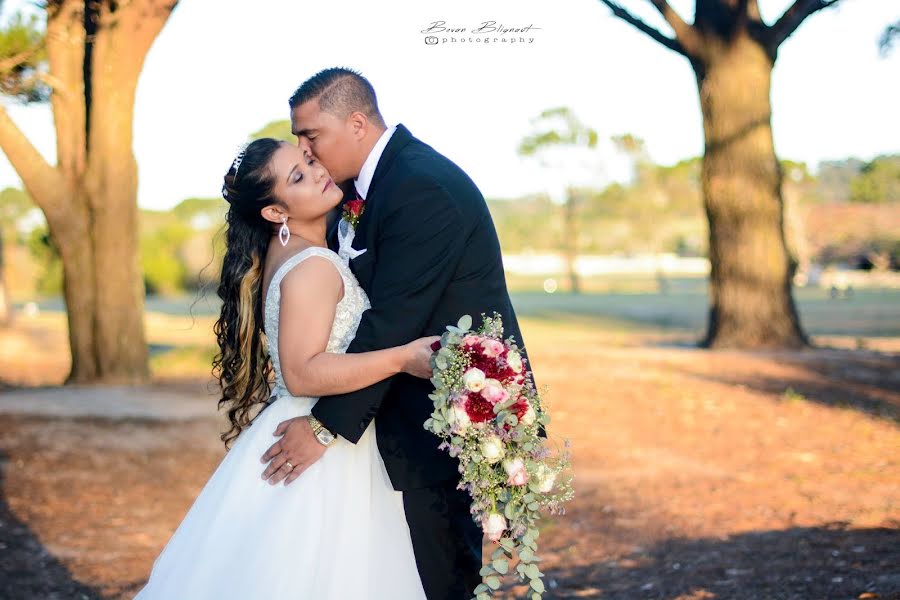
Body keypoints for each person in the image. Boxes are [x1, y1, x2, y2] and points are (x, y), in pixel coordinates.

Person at [261, 67, 535, 600]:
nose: (306, 150)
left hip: (447, 425)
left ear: (357, 123)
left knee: (443, 583)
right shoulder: (374, 187)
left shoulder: (419, 188)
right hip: (402, 420)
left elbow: (391, 323)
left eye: (310, 135)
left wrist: (322, 428)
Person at [133, 137, 436, 599]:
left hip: (301, 422)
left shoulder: (288, 257)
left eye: (309, 161)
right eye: (297, 176)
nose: (316, 172)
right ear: (276, 213)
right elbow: (303, 372)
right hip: (318, 435)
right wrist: (402, 357)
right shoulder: (313, 265)